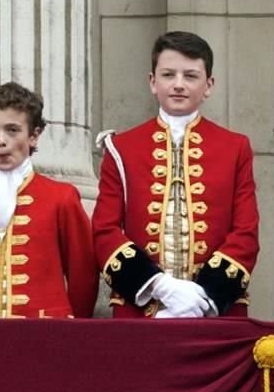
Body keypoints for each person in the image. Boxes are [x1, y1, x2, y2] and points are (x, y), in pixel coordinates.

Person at [92, 31, 259, 318]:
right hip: (140, 312)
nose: (179, 84)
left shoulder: (236, 148)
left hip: (214, 314)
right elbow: (105, 231)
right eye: (168, 74)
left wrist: (203, 298)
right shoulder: (121, 148)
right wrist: (159, 286)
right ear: (152, 82)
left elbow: (246, 232)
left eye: (191, 76)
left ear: (209, 85)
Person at [0, 82, 98, 319]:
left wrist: (73, 330)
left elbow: (83, 275)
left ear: (34, 136)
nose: (1, 140)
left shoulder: (61, 197)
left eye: (12, 130)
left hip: (44, 333)